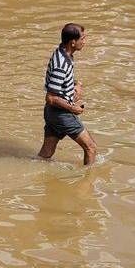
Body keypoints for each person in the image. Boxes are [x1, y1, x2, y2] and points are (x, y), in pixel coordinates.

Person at [39, 23, 97, 165]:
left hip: (52, 113)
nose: (85, 42)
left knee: (46, 154)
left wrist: (77, 84)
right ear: (73, 42)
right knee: (90, 148)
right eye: (82, 39)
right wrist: (73, 108)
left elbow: (62, 79)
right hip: (61, 114)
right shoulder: (61, 64)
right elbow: (51, 97)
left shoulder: (64, 53)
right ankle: (89, 178)